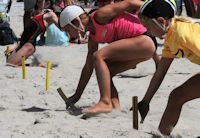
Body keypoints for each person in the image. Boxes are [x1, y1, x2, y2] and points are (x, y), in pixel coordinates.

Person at [59, 0, 159, 114]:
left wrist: (156, 12)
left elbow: (129, 3)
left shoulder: (100, 15)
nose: (68, 35)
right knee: (107, 70)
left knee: (98, 56)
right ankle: (114, 106)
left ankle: (105, 102)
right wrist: (77, 95)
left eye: (68, 30)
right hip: (143, 49)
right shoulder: (93, 37)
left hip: (146, 40)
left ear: (76, 21)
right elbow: (88, 67)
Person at [136, 0, 200, 136]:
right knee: (177, 96)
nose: (148, 33)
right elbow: (160, 72)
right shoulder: (171, 39)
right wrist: (145, 101)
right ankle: (162, 134)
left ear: (161, 21)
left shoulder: (183, 33)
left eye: (148, 27)